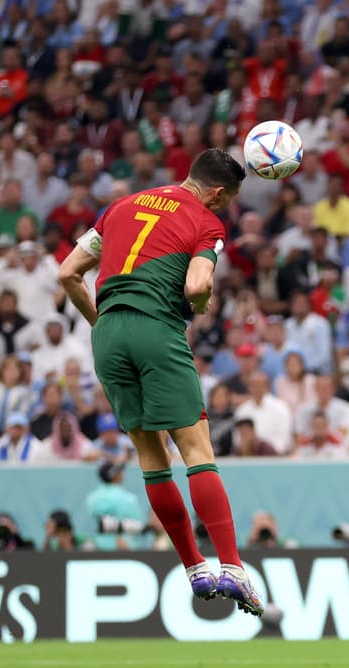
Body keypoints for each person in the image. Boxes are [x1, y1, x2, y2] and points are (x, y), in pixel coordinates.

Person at [57, 148, 263, 616]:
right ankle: (232, 567)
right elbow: (195, 285)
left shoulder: (121, 206)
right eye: (226, 200)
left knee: (152, 458)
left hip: (108, 334)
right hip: (157, 328)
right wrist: (205, 298)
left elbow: (68, 273)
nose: (224, 209)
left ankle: (193, 567)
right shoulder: (206, 223)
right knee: (197, 451)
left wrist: (101, 322)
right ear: (215, 192)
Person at [86, 461, 147, 550]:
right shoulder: (128, 498)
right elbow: (138, 523)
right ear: (115, 475)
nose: (122, 473)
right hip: (124, 546)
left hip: (97, 545)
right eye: (119, 471)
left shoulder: (92, 498)